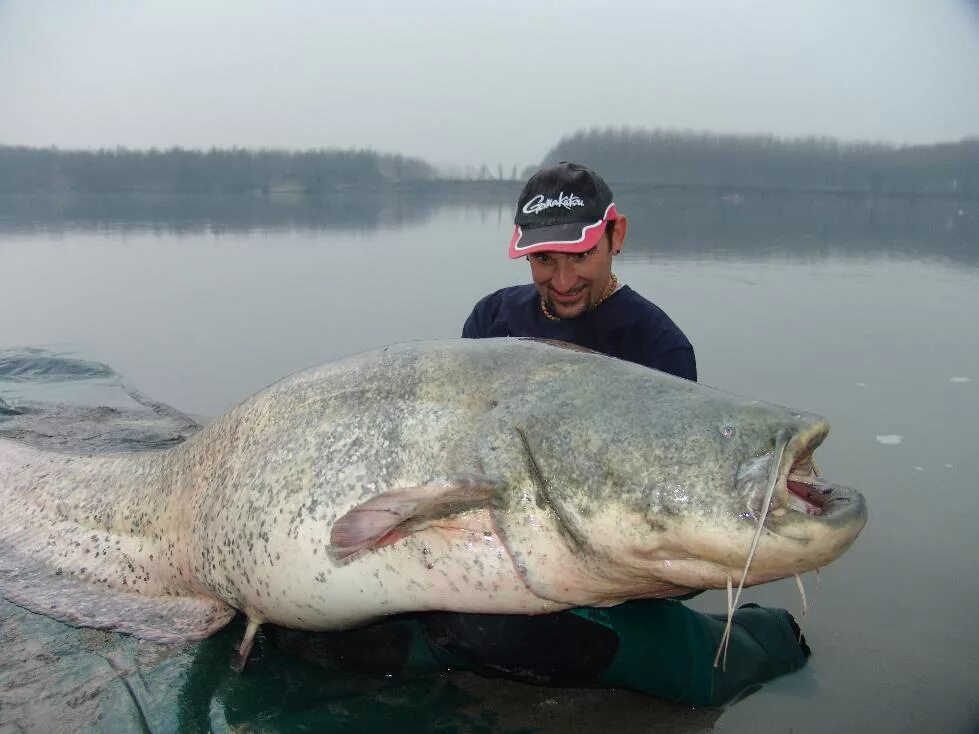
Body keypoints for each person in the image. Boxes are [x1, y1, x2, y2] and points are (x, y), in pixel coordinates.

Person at [270, 162, 810, 707]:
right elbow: (453, 451)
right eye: (545, 260)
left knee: (495, 634)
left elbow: (663, 515)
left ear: (615, 235)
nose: (564, 279)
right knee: (308, 635)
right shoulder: (493, 320)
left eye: (581, 255)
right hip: (486, 545)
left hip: (599, 578)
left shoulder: (658, 347)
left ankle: (730, 645)